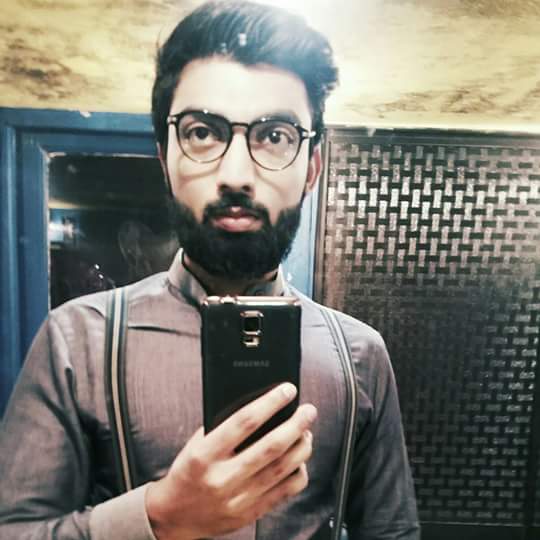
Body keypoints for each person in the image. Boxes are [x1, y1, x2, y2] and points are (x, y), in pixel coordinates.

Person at [0, 1, 420, 539]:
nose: (237, 174)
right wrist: (158, 518)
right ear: (165, 159)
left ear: (312, 167)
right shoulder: (77, 340)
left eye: (275, 135)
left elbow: (392, 533)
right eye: (203, 132)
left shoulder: (360, 354)